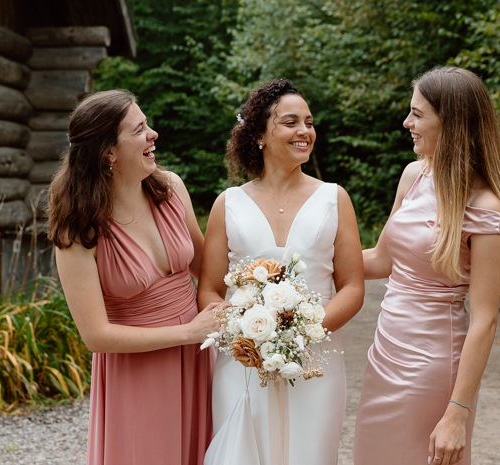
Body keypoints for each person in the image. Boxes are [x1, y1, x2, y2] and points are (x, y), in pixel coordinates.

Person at [353, 66, 500, 465]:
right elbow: (381, 260)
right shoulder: (414, 175)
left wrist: (457, 414)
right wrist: (297, 260)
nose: (406, 122)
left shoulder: (485, 209)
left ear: (451, 122)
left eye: (417, 113)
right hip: (385, 354)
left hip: (432, 366)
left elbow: (485, 320)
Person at [47, 89, 219, 465]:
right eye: (139, 129)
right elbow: (96, 336)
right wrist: (188, 331)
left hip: (198, 359)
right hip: (139, 371)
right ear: (109, 152)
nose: (153, 134)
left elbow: (208, 271)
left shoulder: (170, 189)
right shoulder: (78, 229)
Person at [197, 78, 364, 465]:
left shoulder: (334, 198)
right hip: (244, 359)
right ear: (259, 135)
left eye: (309, 121)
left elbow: (353, 287)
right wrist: (242, 327)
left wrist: (302, 330)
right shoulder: (229, 203)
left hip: (315, 359)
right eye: (291, 122)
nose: (305, 131)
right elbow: (207, 289)